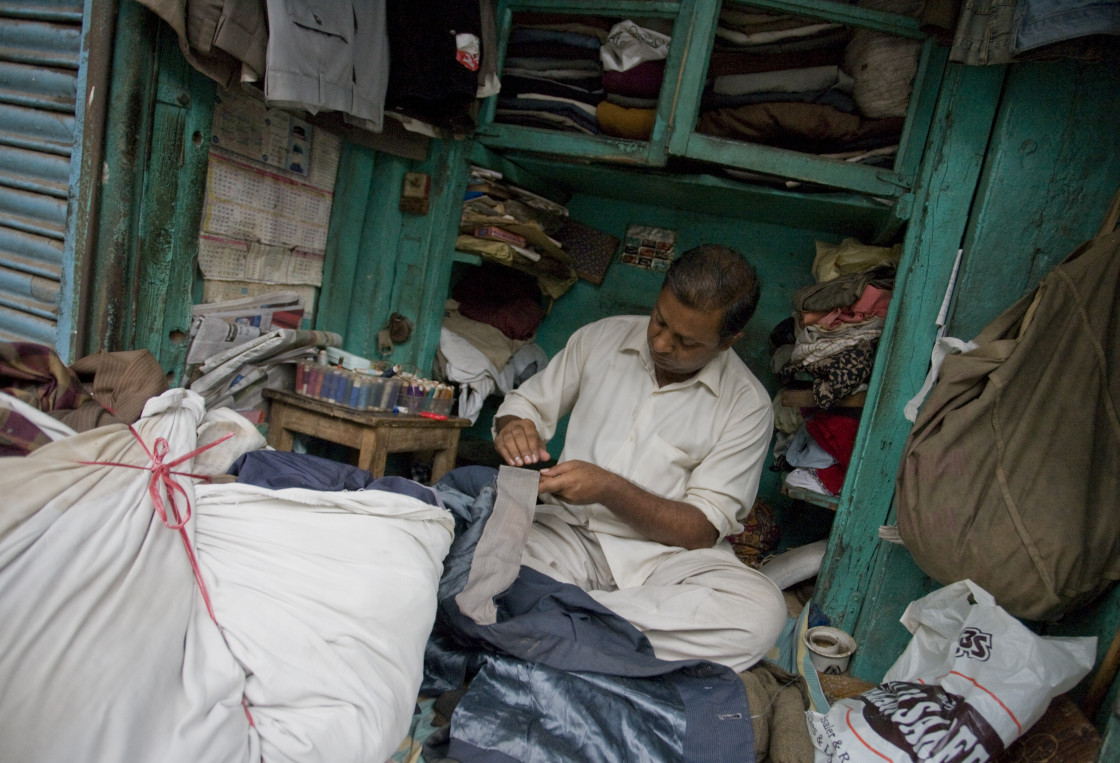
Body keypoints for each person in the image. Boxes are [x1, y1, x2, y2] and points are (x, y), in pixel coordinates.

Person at [492, 244, 786, 673]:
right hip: (566, 538)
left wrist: (609, 488)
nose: (662, 343)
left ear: (729, 341)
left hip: (665, 565)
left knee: (759, 614)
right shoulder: (601, 337)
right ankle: (588, 634)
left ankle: (553, 620)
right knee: (485, 548)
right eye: (659, 321)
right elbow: (528, 404)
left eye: (687, 342)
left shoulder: (748, 405)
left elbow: (701, 530)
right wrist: (515, 426)